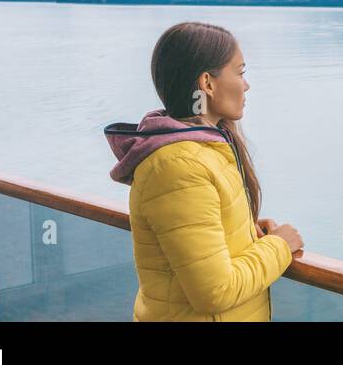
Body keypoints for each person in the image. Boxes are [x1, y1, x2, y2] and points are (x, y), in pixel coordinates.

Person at [105, 21, 304, 321]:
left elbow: (194, 245)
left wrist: (245, 232)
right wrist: (280, 246)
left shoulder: (200, 150)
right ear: (207, 84)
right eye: (240, 73)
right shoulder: (177, 168)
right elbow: (214, 291)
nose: (246, 84)